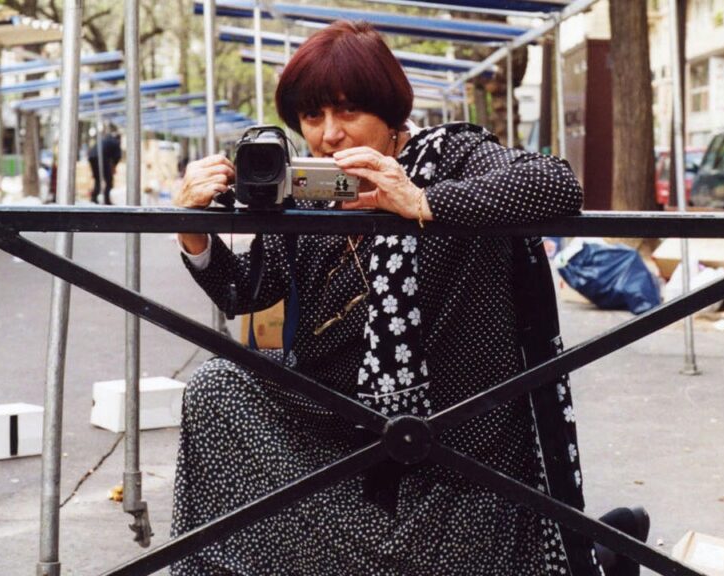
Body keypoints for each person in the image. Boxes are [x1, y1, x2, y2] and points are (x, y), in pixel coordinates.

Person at [171, 20, 614, 576]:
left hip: (455, 426)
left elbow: (556, 184)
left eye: (348, 112)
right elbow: (246, 291)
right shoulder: (311, 192)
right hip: (336, 413)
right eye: (312, 117)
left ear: (389, 111)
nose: (329, 135)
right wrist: (193, 230)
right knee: (217, 388)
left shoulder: (449, 155)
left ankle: (604, 551)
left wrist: (421, 200)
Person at [88, 130, 121, 205]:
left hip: (92, 157)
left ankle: (94, 197)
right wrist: (113, 167)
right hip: (101, 157)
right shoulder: (116, 142)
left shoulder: (105, 139)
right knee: (109, 180)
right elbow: (117, 157)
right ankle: (106, 200)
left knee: (98, 179)